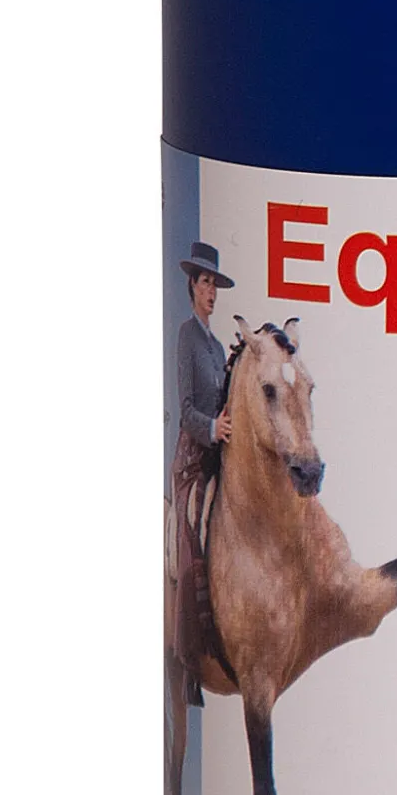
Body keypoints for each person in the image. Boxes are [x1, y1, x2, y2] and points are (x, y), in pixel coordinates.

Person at [170, 241, 236, 686]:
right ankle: (189, 656)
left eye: (215, 285)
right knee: (193, 539)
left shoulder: (216, 345)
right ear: (192, 286)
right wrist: (214, 428)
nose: (211, 292)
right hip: (193, 459)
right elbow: (187, 408)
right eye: (206, 283)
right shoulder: (187, 338)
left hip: (220, 455)